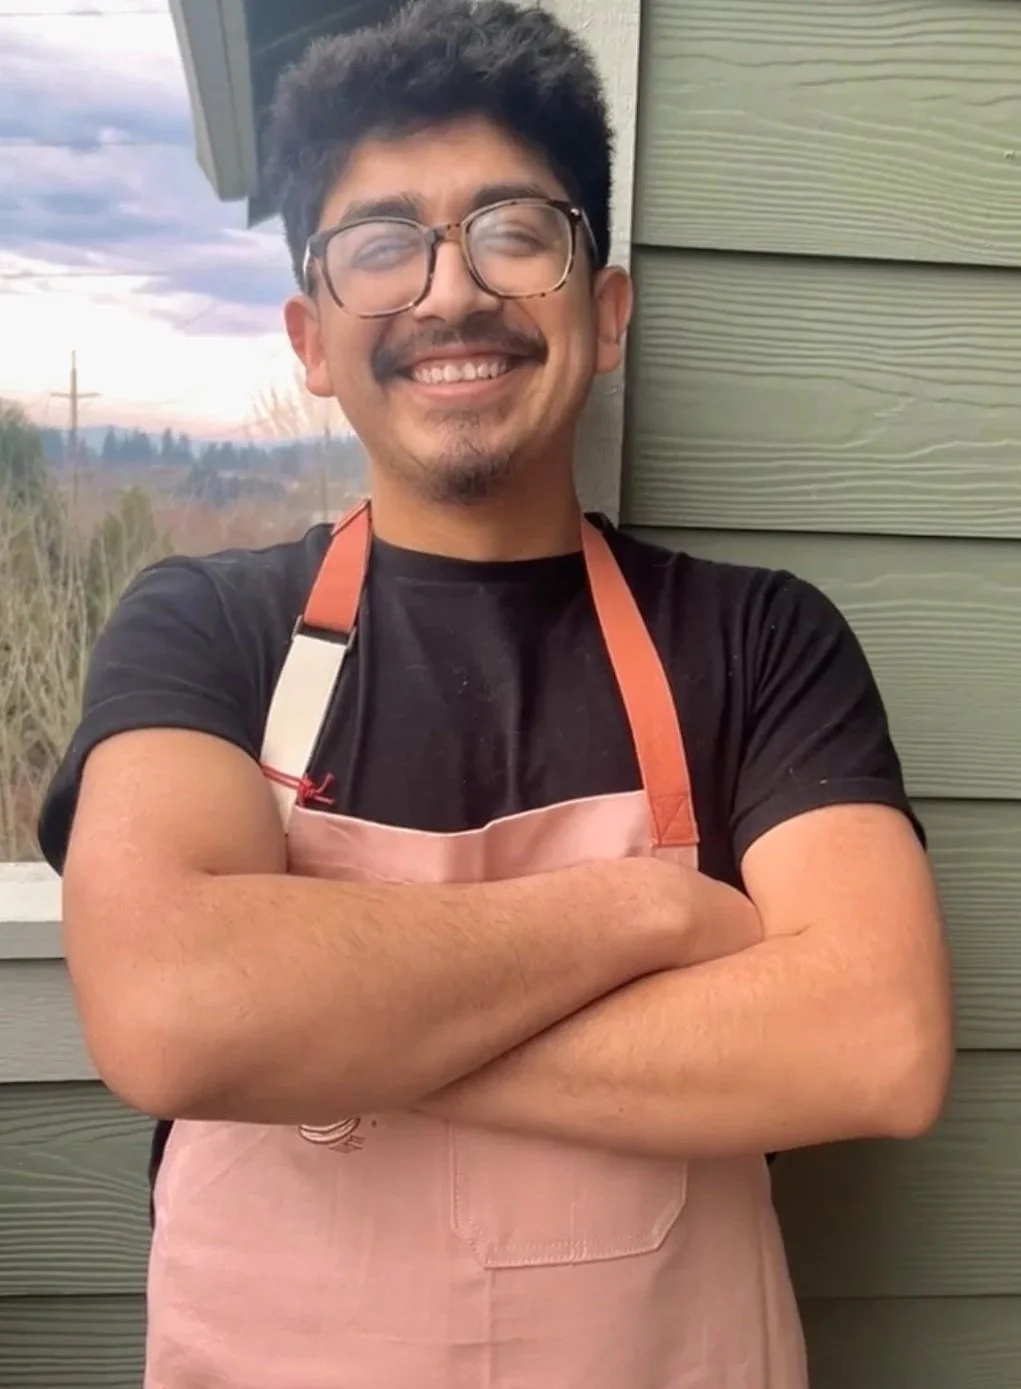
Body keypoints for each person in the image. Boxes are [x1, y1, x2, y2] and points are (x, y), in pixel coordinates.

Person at [38, 0, 953, 1384]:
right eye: (381, 244)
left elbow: (873, 1042)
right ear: (311, 337)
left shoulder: (760, 640)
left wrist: (316, 1032)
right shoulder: (205, 628)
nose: (449, 293)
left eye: (513, 232)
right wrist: (646, 913)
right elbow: (171, 1010)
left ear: (605, 311)